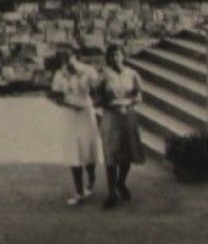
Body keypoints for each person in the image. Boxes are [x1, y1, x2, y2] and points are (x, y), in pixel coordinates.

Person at [48, 48, 103, 206]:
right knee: (73, 150)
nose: (66, 62)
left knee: (88, 148)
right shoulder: (60, 74)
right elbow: (55, 95)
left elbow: (99, 90)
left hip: (86, 112)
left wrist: (95, 102)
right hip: (70, 115)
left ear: (74, 56)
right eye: (62, 59)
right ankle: (78, 191)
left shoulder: (88, 71)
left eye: (68, 58)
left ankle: (91, 181)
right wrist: (68, 104)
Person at [96, 43, 146, 208]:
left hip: (128, 116)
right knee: (111, 153)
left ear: (123, 56)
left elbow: (139, 95)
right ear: (108, 58)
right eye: (112, 56)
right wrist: (109, 104)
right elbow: (96, 98)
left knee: (128, 152)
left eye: (118, 55)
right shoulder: (103, 75)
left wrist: (129, 102)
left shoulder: (132, 74)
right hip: (111, 117)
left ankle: (120, 182)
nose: (116, 58)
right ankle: (111, 193)